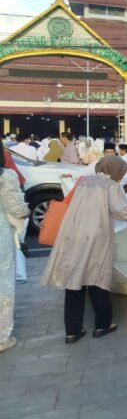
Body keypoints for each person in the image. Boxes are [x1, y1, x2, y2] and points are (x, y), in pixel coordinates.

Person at [41, 156, 127, 342]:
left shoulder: (83, 181)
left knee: (74, 282)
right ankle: (103, 325)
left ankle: (72, 331)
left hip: (72, 235)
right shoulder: (110, 186)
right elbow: (123, 211)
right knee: (97, 280)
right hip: (95, 238)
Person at [0, 141, 30, 352]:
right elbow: (17, 208)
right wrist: (25, 211)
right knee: (2, 283)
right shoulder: (5, 177)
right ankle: (2, 337)